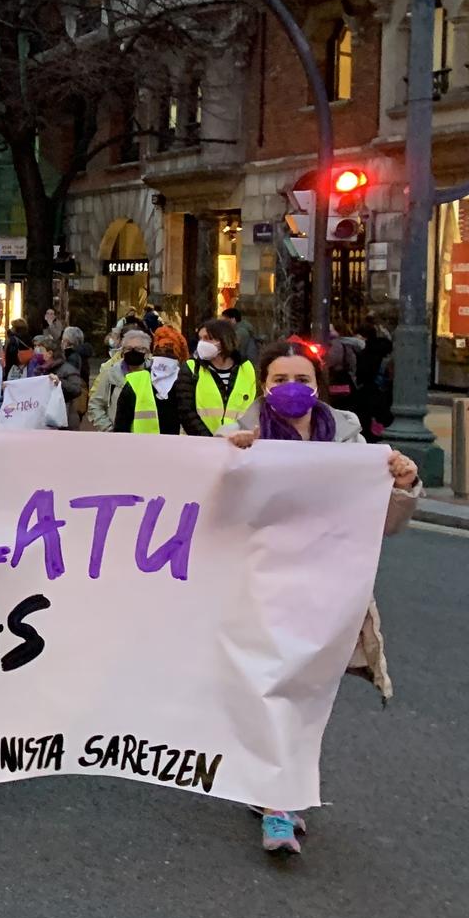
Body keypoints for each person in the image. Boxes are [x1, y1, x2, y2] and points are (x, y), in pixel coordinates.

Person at [224, 338, 420, 857]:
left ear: (319, 385)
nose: (292, 389)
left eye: (303, 380)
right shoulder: (238, 438)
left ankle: (274, 788)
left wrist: (404, 483)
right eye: (280, 380)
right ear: (263, 386)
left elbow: (386, 522)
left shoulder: (351, 441)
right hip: (262, 587)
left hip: (329, 592)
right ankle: (279, 805)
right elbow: (216, 513)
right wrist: (230, 464)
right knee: (273, 687)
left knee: (305, 693)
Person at [180, 317, 256, 436]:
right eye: (200, 339)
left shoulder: (247, 369)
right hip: (200, 444)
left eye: (207, 338)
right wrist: (210, 440)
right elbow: (186, 412)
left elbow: (254, 409)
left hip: (238, 444)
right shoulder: (191, 368)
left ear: (224, 340)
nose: (202, 343)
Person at [87, 327, 150, 431]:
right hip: (117, 438)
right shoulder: (110, 374)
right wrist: (108, 429)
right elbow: (95, 405)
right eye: (129, 349)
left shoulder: (154, 376)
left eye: (139, 349)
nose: (133, 352)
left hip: (148, 438)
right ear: (122, 351)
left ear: (147, 352)